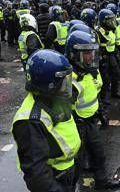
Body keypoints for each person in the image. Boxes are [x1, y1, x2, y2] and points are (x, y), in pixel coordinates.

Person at [12, 49, 81, 192]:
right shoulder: (30, 120)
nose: (66, 85)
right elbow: (37, 175)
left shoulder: (52, 98)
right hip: (54, 178)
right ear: (49, 84)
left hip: (67, 170)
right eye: (63, 81)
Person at [65, 31, 120, 190]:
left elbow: (95, 94)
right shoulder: (71, 78)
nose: (91, 56)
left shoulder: (91, 71)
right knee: (76, 164)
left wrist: (101, 112)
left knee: (99, 154)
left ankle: (102, 183)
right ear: (74, 54)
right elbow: (63, 108)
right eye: (87, 53)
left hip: (91, 120)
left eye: (92, 52)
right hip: (77, 125)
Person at [96, 9, 120, 104]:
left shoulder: (113, 29)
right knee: (105, 79)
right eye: (109, 20)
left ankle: (115, 92)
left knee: (116, 73)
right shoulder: (97, 32)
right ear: (103, 21)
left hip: (112, 54)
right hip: (103, 57)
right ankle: (103, 98)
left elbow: (116, 43)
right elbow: (96, 48)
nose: (112, 22)